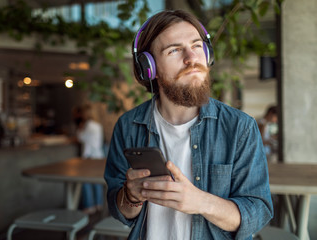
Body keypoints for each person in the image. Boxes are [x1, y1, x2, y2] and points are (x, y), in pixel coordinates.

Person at [104, 10, 273, 240]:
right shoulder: (128, 125)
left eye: (196, 45)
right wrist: (131, 196)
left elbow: (258, 212)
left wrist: (200, 202)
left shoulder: (240, 127)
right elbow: (120, 210)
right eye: (174, 50)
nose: (191, 58)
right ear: (149, 68)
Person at [76, 103, 105, 214]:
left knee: (85, 181)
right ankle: (98, 204)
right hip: (98, 156)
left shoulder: (88, 125)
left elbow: (82, 138)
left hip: (90, 157)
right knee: (96, 182)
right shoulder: (98, 125)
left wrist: (79, 129)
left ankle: (89, 205)